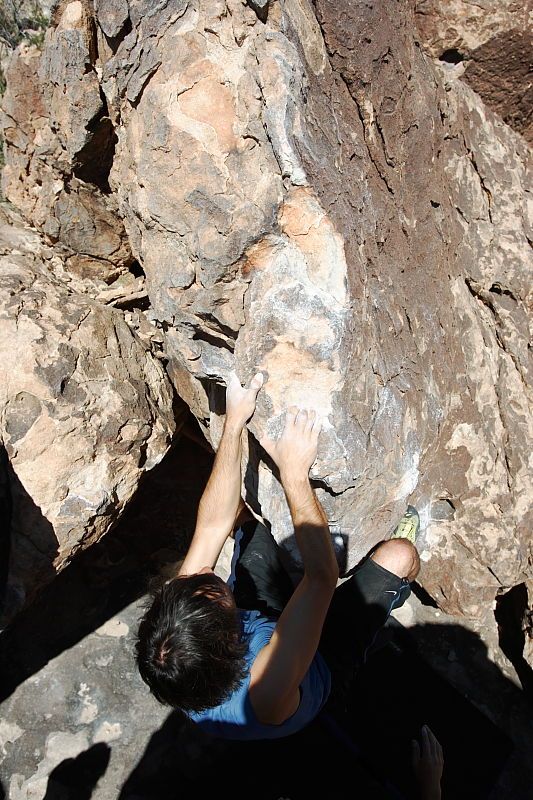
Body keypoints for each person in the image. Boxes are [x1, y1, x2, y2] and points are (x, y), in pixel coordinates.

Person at [136, 371, 421, 741]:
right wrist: (294, 475)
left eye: (193, 581)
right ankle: (383, 609)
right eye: (216, 590)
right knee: (400, 555)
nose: (205, 571)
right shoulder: (265, 690)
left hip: (260, 624)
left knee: (241, 515)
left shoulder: (177, 627)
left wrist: (234, 421)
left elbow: (212, 525)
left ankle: (294, 606)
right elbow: (320, 577)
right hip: (319, 669)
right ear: (231, 641)